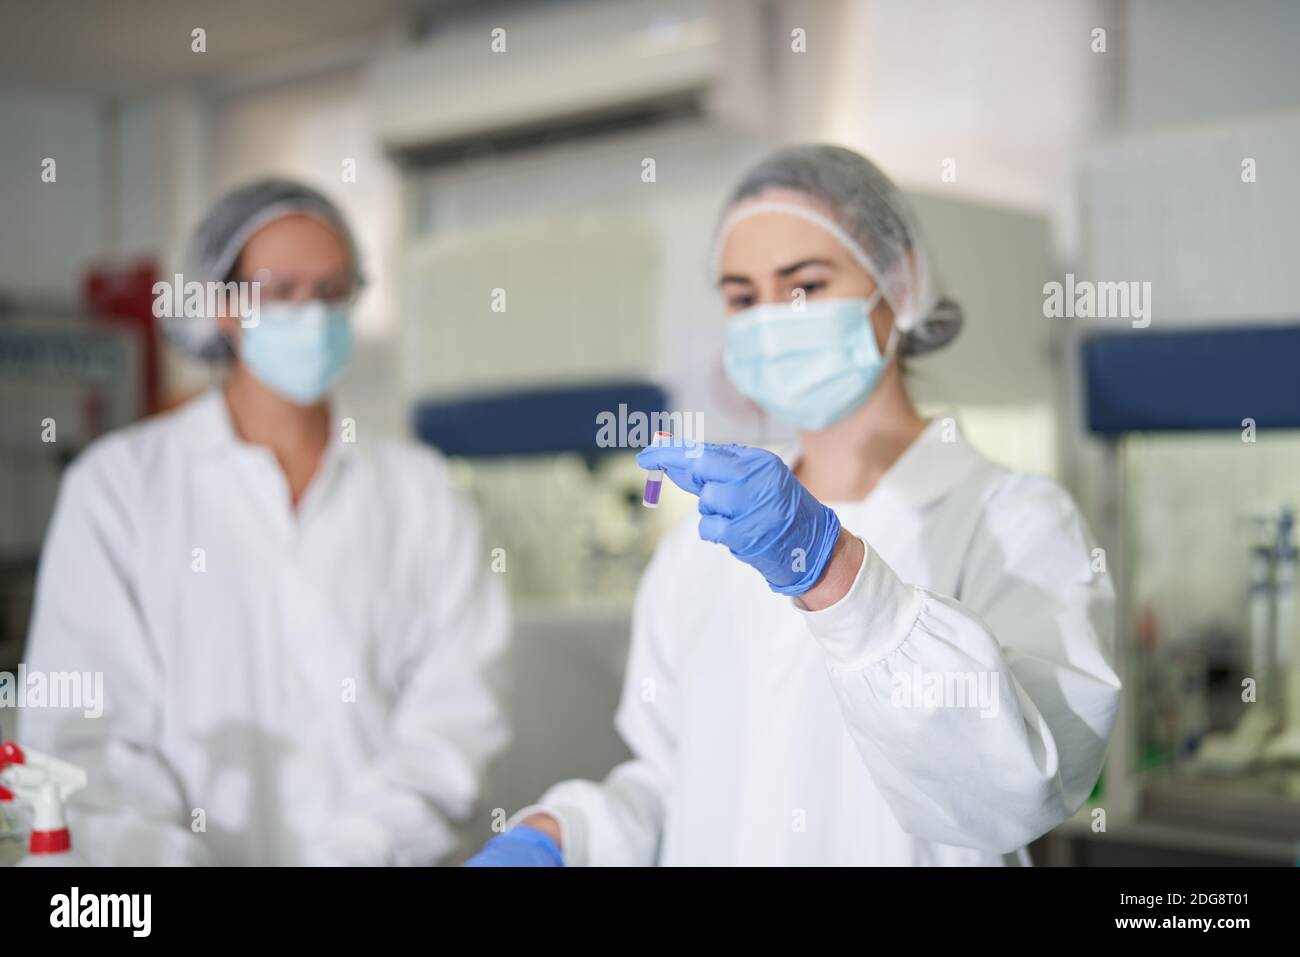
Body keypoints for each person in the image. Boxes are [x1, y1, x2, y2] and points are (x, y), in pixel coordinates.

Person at [467, 145, 1120, 867]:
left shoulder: (1016, 521)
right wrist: (568, 834)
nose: (771, 320)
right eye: (743, 297)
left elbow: (1019, 790)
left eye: (805, 286)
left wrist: (835, 573)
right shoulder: (701, 543)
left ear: (897, 285)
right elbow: (670, 778)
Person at [19, 180, 509, 866]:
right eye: (279, 292)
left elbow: (457, 714)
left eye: (332, 291)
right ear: (222, 306)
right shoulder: (120, 488)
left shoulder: (420, 491)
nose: (310, 313)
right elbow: (81, 732)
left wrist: (360, 849)